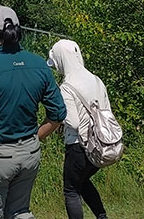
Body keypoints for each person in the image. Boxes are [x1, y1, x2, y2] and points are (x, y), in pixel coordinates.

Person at [0, 6, 67, 219]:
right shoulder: (39, 64)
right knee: (20, 212)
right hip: (29, 154)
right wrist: (34, 138)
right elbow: (58, 113)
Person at [47, 39, 112, 219]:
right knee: (82, 182)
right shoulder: (96, 80)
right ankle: (102, 216)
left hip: (79, 145)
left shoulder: (67, 87)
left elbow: (74, 123)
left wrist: (59, 119)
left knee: (71, 190)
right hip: (102, 144)